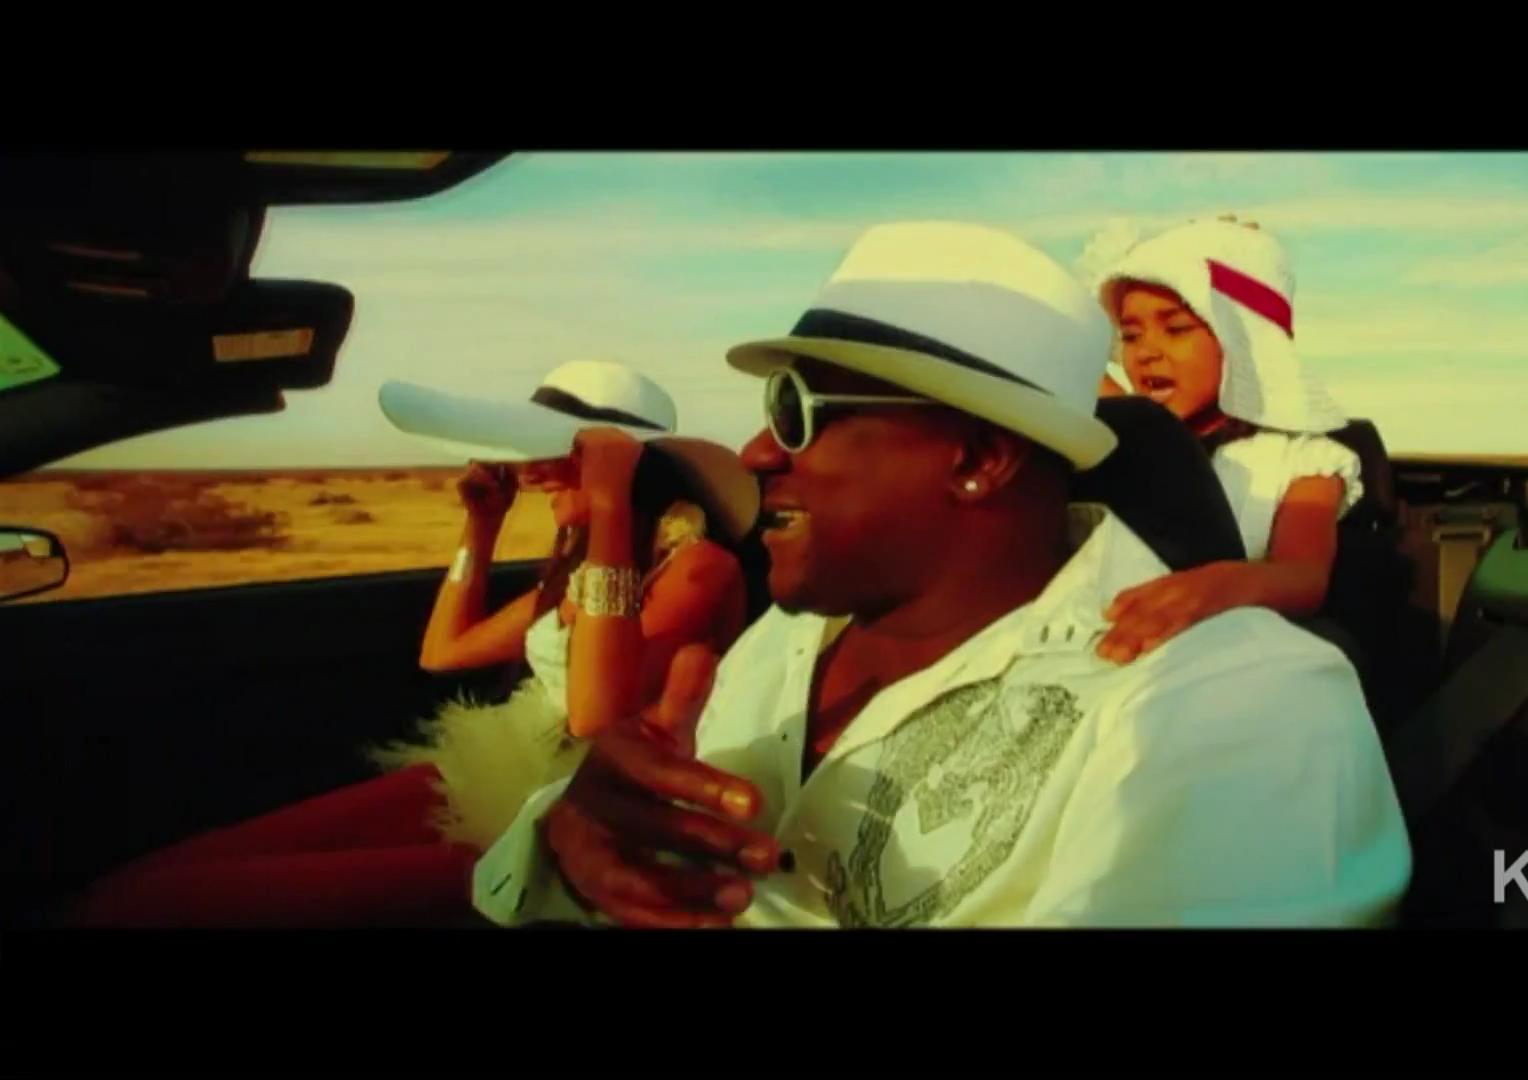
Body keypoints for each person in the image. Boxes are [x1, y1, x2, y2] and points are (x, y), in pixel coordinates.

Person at [473, 221, 1411, 929]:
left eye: (796, 409)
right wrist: (561, 843)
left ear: (978, 458)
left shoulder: (1226, 704)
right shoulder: (786, 638)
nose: (757, 453)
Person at [66, 361, 759, 927]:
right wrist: (480, 526)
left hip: (565, 811)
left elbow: (592, 716)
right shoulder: (583, 570)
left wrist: (607, 508)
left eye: (559, 452)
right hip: (494, 762)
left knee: (170, 906)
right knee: (171, 870)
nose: (529, 471)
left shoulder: (698, 567)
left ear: (624, 464)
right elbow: (444, 652)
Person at [1085, 216, 1366, 665]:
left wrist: (1215, 587)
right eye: (1131, 335)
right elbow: (1073, 365)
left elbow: (1302, 576)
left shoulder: (1303, 460)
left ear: (1247, 345)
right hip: (1096, 642)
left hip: (1223, 657)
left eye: (1176, 328)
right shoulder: (1130, 435)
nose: (1146, 352)